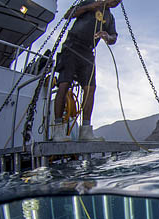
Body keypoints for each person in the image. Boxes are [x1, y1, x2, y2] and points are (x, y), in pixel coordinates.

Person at [52, 0, 121, 142]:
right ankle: (58, 131)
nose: (115, 3)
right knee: (64, 85)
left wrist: (107, 37)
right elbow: (68, 15)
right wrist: (90, 7)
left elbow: (114, 37)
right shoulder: (90, 2)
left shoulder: (110, 17)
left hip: (88, 52)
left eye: (118, 2)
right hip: (72, 46)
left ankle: (86, 131)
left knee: (90, 89)